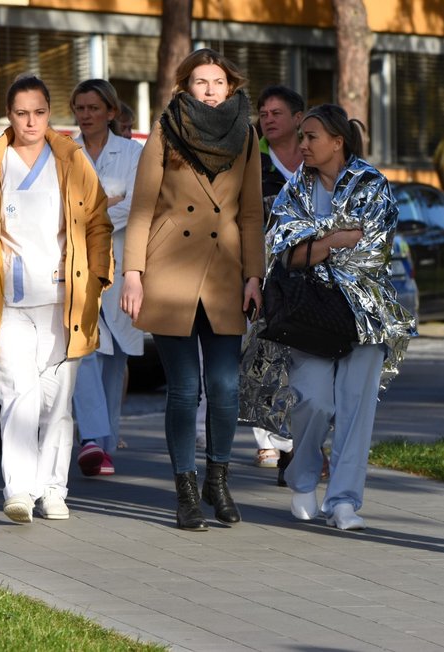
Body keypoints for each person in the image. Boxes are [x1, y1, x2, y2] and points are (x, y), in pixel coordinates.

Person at [244, 104, 416, 531]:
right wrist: (335, 238)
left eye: (311, 137)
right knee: (312, 401)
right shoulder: (294, 190)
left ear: (337, 142)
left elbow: (372, 250)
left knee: (356, 413)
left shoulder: (372, 183)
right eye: (301, 137)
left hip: (367, 317)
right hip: (309, 315)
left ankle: (343, 502)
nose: (301, 145)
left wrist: (314, 243)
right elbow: (283, 252)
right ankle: (303, 482)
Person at [0, 75, 113, 523]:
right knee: (18, 395)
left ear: (49, 112)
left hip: (64, 300)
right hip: (8, 304)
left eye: (39, 112)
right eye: (22, 113)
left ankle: (54, 490)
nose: (31, 121)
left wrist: (98, 275)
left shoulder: (71, 158)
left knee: (57, 402)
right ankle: (19, 490)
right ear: (9, 115)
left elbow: (98, 222)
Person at [121, 48, 265, 531]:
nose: (209, 89)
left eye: (217, 82)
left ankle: (218, 480)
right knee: (184, 388)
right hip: (170, 273)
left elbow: (250, 213)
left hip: (226, 274)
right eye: (200, 81)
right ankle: (185, 489)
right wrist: (133, 274)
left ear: (230, 88)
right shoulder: (166, 130)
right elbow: (142, 207)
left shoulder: (245, 134)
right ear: (185, 87)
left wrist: (254, 276)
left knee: (224, 388)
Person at [68, 79, 144, 477]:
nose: (86, 114)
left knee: (115, 356)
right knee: (85, 349)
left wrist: (89, 213)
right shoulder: (64, 151)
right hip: (76, 265)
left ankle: (105, 445)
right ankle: (94, 439)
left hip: (122, 265)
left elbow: (137, 205)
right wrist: (105, 206)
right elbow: (58, 208)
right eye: (80, 107)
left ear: (111, 112)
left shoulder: (132, 152)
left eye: (94, 107)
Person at [253, 85, 306, 474]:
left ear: (299, 118)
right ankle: (270, 441)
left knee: (301, 361)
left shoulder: (315, 160)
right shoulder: (252, 162)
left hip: (309, 277)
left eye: (276, 113)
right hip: (263, 276)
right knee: (263, 357)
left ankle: (295, 440)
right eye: (263, 113)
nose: (268, 119)